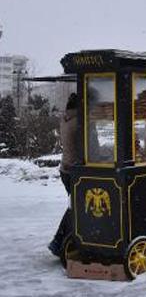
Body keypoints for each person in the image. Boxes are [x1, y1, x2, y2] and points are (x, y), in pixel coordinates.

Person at [49, 93, 78, 257]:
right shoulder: (80, 121)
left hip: (65, 169)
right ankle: (59, 241)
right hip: (75, 170)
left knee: (75, 206)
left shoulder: (65, 119)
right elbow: (90, 146)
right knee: (76, 208)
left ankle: (68, 238)